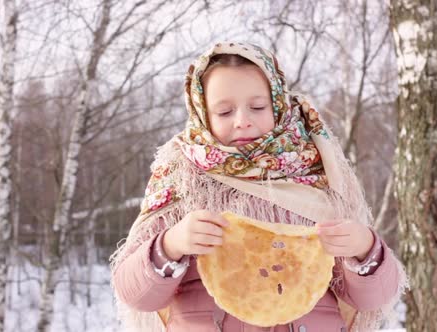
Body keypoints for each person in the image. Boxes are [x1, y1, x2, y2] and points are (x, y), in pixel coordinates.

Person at [110, 42, 407, 332]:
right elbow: (134, 293)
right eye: (224, 112)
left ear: (277, 104)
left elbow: (371, 299)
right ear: (202, 114)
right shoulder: (182, 177)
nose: (242, 121)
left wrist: (364, 250)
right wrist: (171, 245)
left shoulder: (320, 170)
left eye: (257, 106)